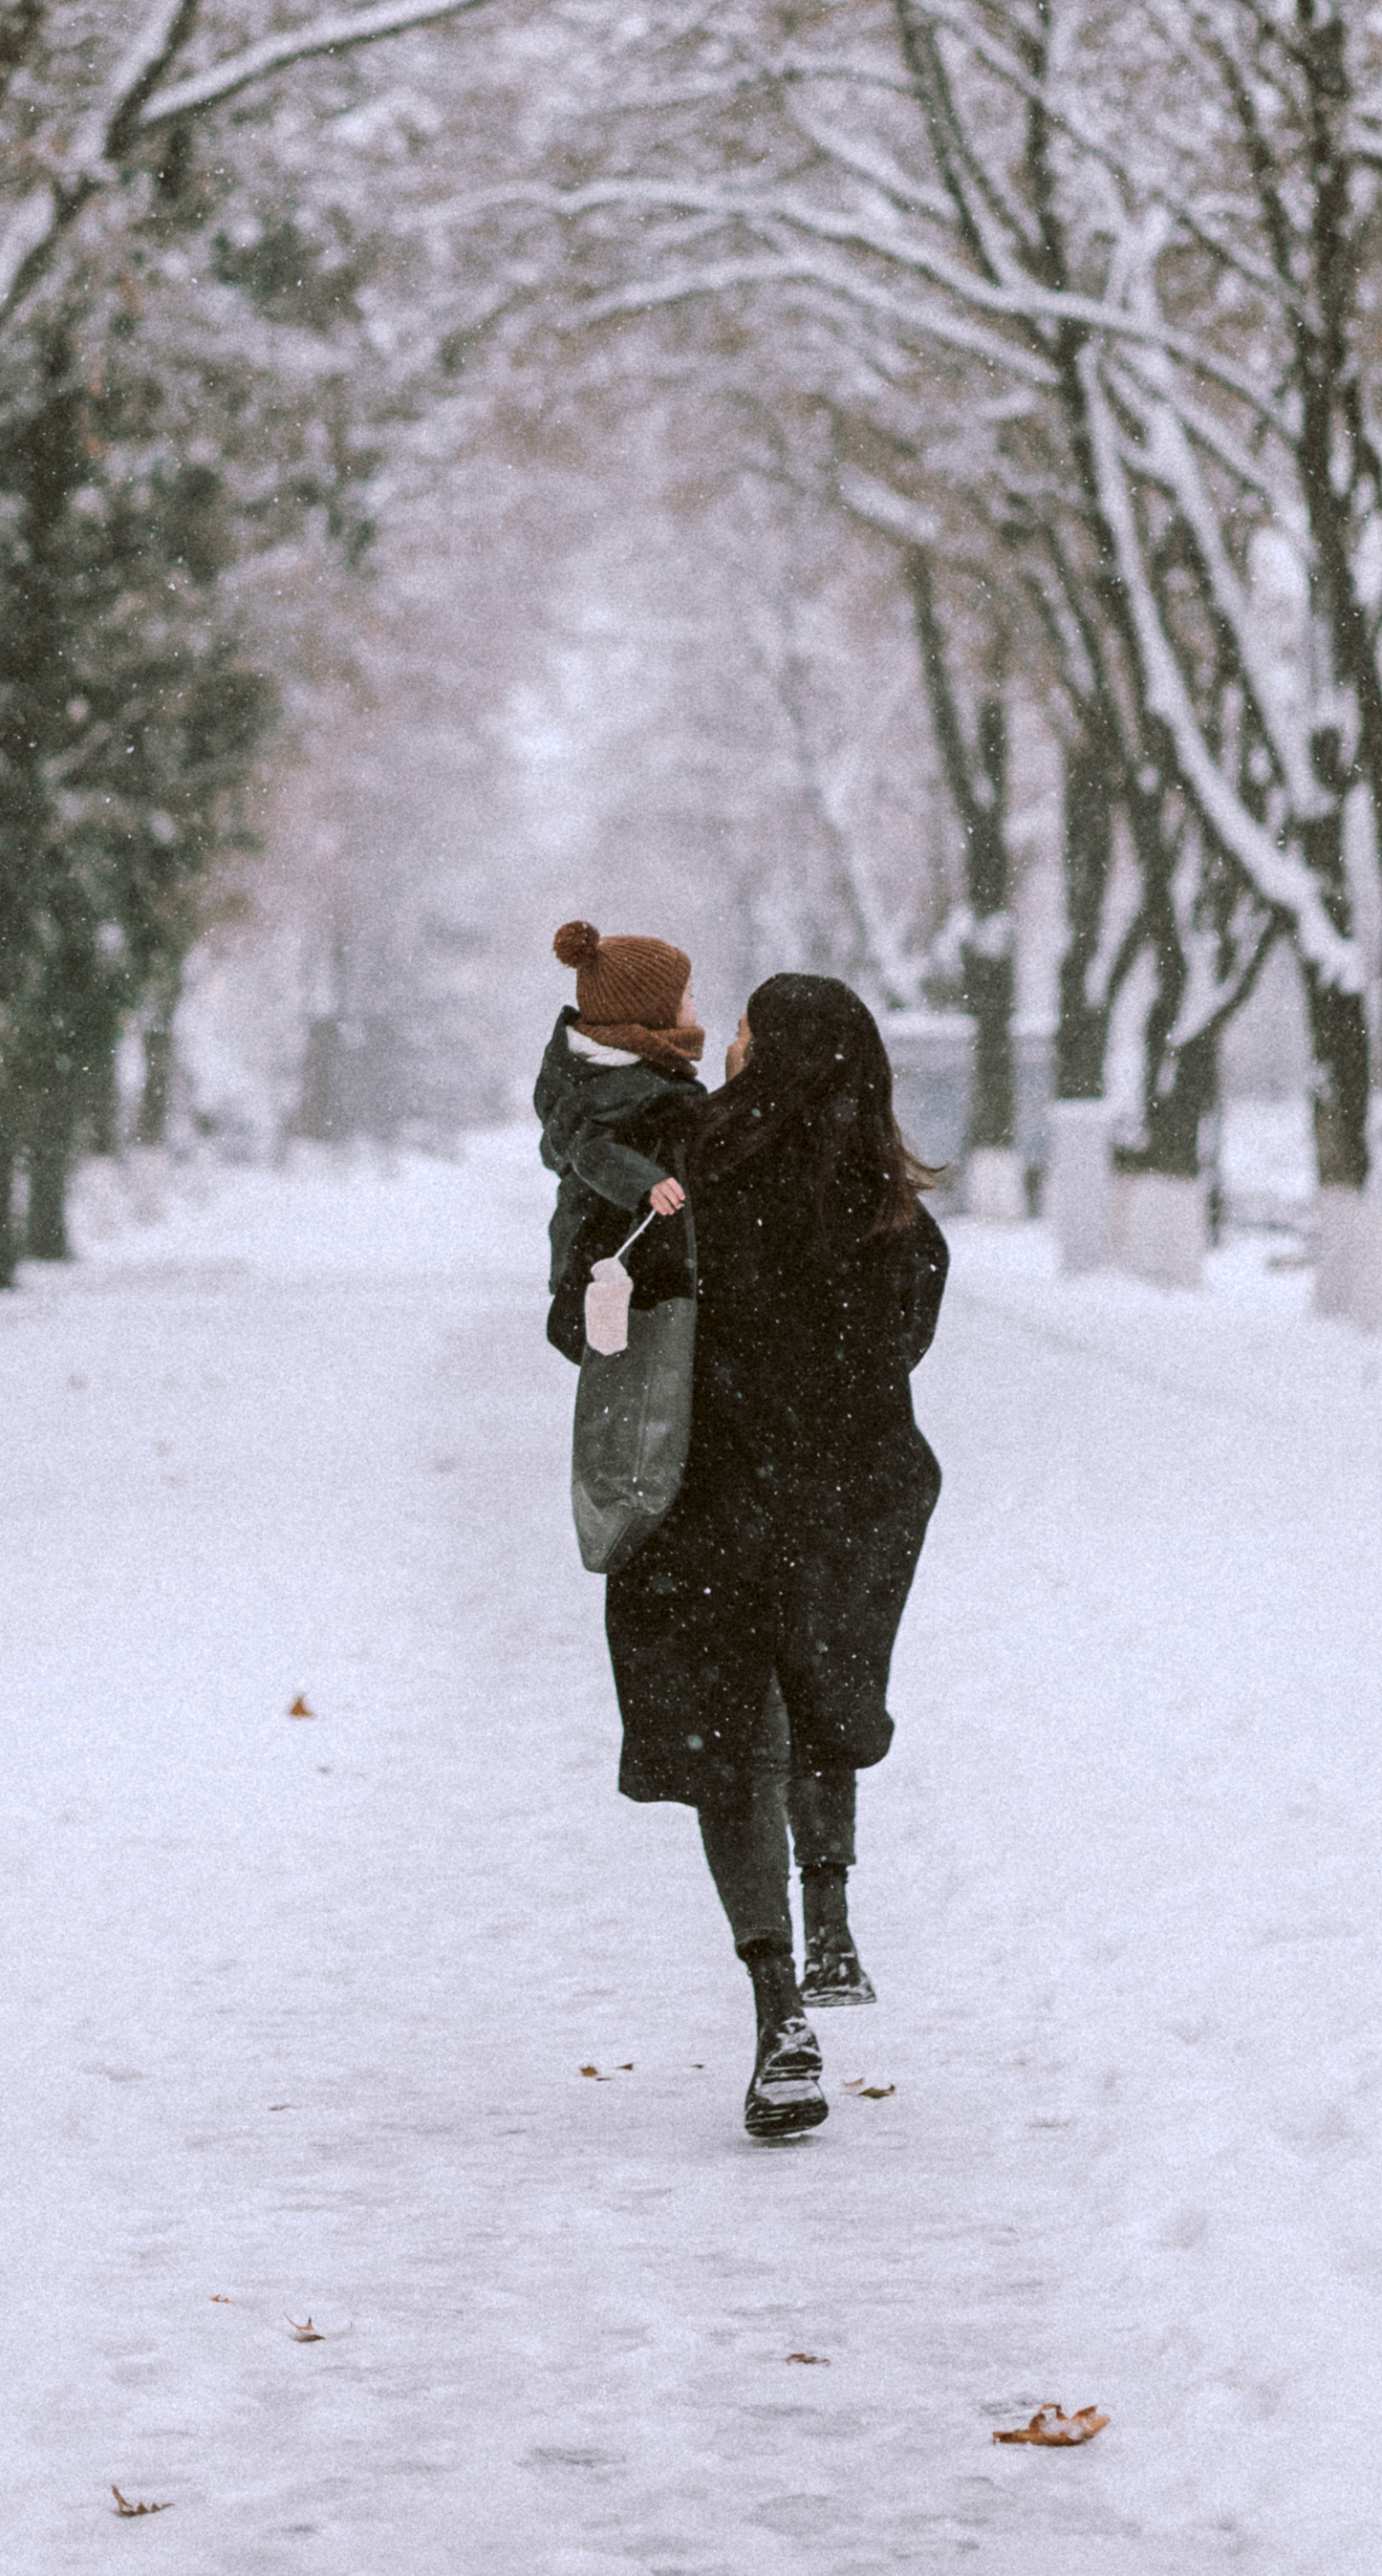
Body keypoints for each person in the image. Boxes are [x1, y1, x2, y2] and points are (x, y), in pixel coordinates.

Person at [607, 972, 945, 2144]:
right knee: (815, 1695)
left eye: (745, 1028)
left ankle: (777, 2003)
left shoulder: (685, 1177)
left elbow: (590, 1315)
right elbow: (896, 1351)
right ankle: (831, 1910)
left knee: (731, 1739)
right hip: (848, 1500)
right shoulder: (895, 1216)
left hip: (713, 1498)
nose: (731, 1044)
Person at [532, 919, 706, 1363]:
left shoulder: (611, 1073)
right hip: (597, 1259)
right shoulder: (619, 1085)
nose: (695, 1003)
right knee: (626, 1377)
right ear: (652, 1011)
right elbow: (588, 1148)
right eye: (686, 994)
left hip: (599, 1259)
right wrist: (643, 1180)